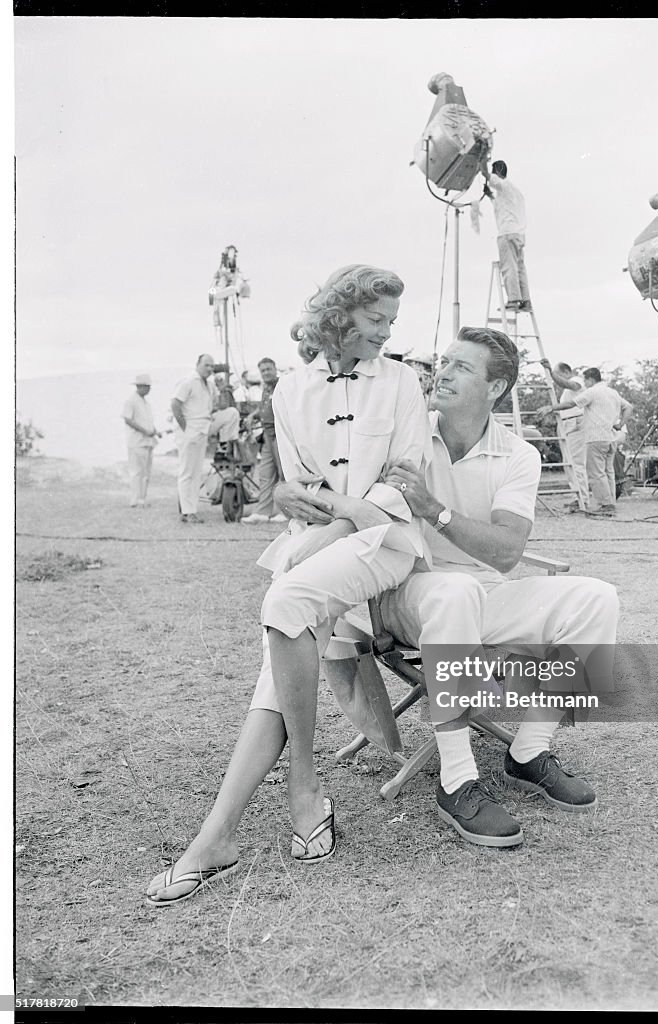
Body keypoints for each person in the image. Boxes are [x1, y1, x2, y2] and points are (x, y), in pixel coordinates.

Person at [146, 265, 430, 905]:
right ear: (339, 318)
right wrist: (308, 505)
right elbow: (299, 485)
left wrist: (337, 522)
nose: (386, 332)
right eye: (375, 320)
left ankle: (295, 788)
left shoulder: (403, 381)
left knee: (286, 597)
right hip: (323, 539)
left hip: (385, 542)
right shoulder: (291, 389)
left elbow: (405, 477)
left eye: (390, 321)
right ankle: (225, 830)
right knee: (281, 654)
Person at [378, 327, 619, 847]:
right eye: (444, 361)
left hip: (481, 592)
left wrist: (435, 511)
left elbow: (508, 551)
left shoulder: (517, 453)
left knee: (598, 598)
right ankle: (457, 780)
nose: (442, 372)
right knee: (455, 591)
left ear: (495, 387)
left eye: (461, 367)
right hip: (406, 591)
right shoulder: (406, 433)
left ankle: (528, 752)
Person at [546, 368, 632, 517]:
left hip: (596, 437)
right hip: (611, 437)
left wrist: (552, 408)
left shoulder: (592, 392)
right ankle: (610, 502)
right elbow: (629, 407)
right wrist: (620, 424)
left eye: (585, 380)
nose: (584, 383)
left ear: (591, 379)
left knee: (596, 473)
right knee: (608, 472)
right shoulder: (613, 392)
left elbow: (571, 404)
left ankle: (606, 505)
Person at [171, 354, 218, 524]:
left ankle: (190, 510)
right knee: (187, 472)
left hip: (202, 431)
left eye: (212, 366)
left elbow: (214, 404)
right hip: (189, 432)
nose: (210, 369)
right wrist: (185, 428)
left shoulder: (209, 385)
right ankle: (187, 511)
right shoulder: (189, 381)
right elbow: (175, 404)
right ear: (197, 364)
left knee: (196, 472)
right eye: (206, 365)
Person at [538, 358, 589, 512]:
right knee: (569, 463)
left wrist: (551, 373)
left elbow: (567, 383)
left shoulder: (576, 380)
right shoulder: (568, 392)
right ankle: (577, 497)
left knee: (576, 463)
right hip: (568, 424)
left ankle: (583, 499)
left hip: (575, 422)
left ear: (566, 372)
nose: (557, 377)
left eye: (559, 374)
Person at [484, 160, 531, 311]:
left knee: (509, 267)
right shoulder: (513, 191)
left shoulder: (503, 185)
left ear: (497, 172)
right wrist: (490, 196)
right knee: (519, 268)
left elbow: (485, 173)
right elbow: (503, 207)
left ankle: (513, 300)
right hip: (518, 234)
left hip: (507, 233)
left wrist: (481, 159)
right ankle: (525, 300)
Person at [241, 358, 283, 524]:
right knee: (265, 473)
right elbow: (263, 407)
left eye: (268, 369)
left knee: (283, 473)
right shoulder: (266, 388)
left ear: (275, 368)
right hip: (266, 433)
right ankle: (262, 512)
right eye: (263, 370)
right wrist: (253, 415)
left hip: (280, 434)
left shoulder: (283, 385)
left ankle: (285, 512)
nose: (266, 373)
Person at [121, 373, 161, 507]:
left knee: (146, 472)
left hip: (148, 442)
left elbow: (147, 422)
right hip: (137, 442)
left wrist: (154, 431)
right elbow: (128, 420)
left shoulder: (146, 403)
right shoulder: (131, 400)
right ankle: (135, 500)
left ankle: (142, 499)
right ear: (140, 386)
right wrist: (145, 431)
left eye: (149, 386)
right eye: (147, 386)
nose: (149, 389)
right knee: (136, 471)